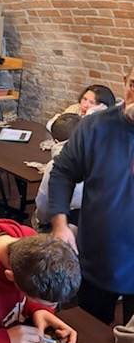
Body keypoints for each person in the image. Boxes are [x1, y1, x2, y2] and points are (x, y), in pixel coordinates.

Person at [49, 63, 134, 325]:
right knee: (89, 334)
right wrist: (60, 224)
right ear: (125, 81)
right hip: (98, 257)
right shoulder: (95, 127)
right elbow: (63, 173)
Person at [33, 113, 83, 229]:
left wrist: (41, 221)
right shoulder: (96, 157)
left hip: (65, 223)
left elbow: (44, 204)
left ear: (55, 141)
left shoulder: (54, 165)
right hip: (93, 221)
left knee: (36, 219)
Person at [46, 83, 116, 132]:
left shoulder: (107, 120)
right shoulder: (75, 108)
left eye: (92, 102)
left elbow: (84, 137)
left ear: (103, 107)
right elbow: (51, 124)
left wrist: (89, 115)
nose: (85, 105)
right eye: (84, 99)